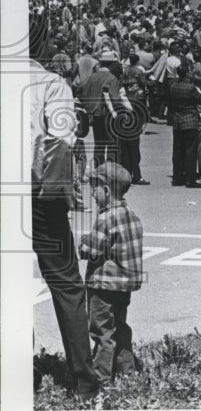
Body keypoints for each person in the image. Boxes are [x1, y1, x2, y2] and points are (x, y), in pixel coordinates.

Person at [30, 47, 101, 400]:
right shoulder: (50, 83)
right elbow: (61, 139)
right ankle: (84, 382)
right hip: (39, 192)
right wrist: (55, 193)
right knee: (66, 284)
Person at [78, 161, 143, 385]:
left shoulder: (105, 219)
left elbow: (91, 250)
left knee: (102, 331)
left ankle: (100, 378)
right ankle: (128, 374)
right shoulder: (132, 216)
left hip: (103, 286)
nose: (93, 195)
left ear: (106, 190)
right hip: (124, 286)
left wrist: (82, 243)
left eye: (94, 188)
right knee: (120, 327)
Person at [167, 61, 201, 188]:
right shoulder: (190, 88)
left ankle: (177, 177)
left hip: (177, 120)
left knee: (178, 149)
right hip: (190, 119)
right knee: (191, 150)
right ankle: (190, 178)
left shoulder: (173, 85)